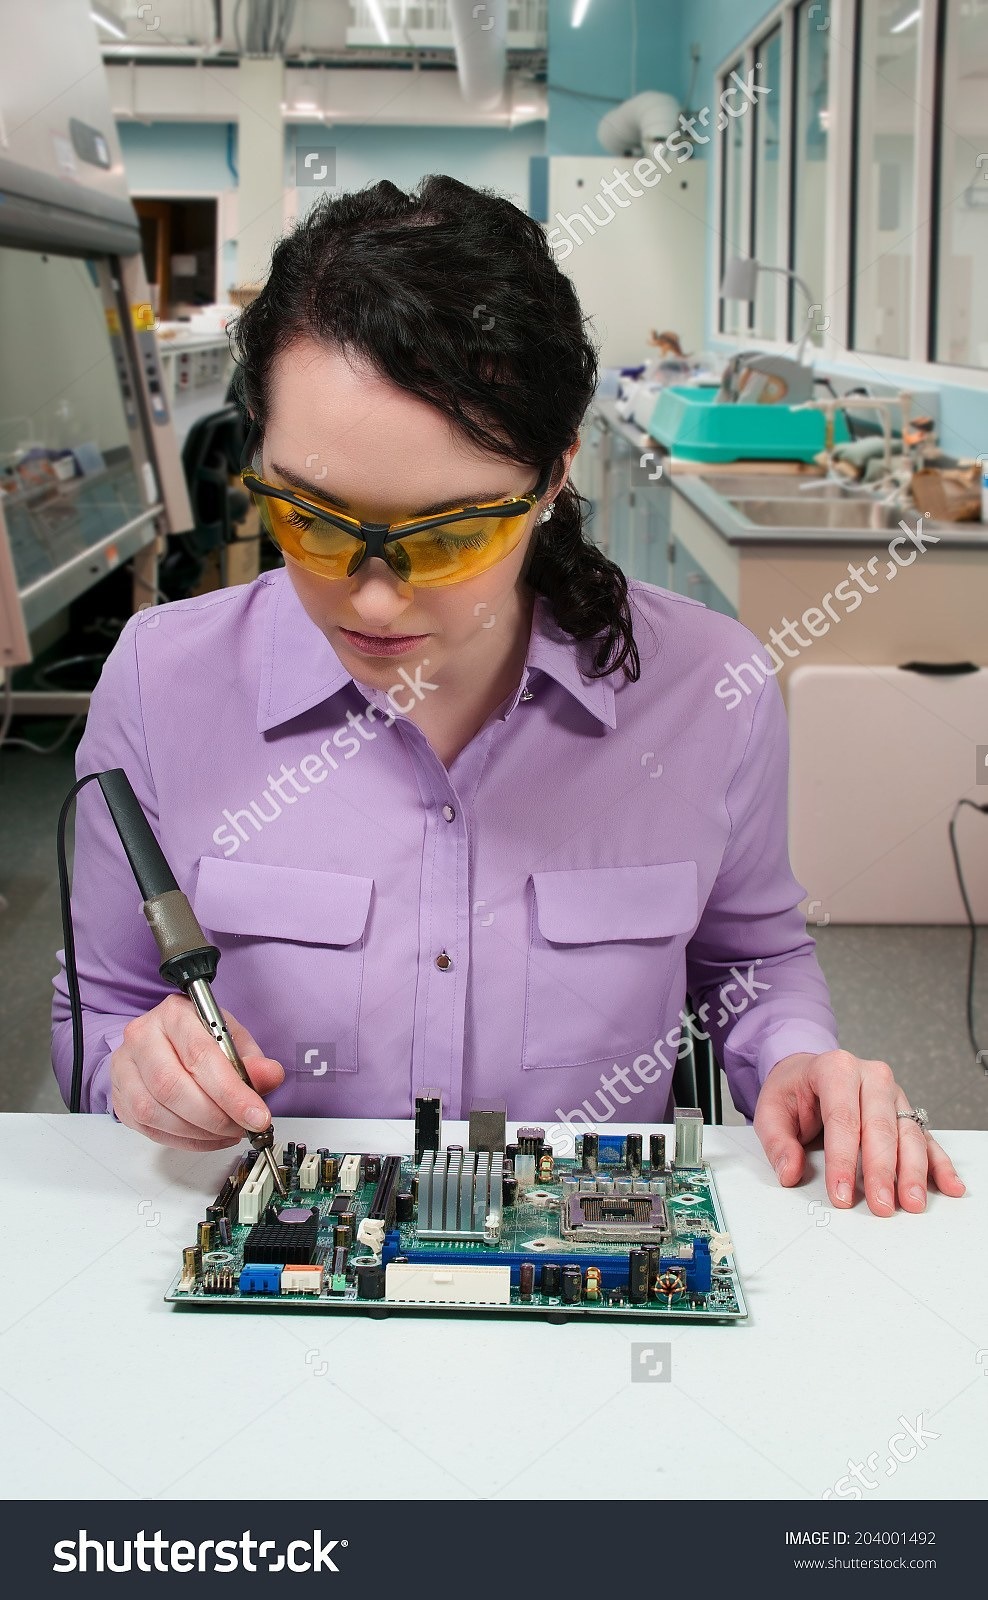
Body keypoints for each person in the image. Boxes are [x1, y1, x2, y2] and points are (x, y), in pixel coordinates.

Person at [51, 175, 963, 1220]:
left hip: (586, 1266)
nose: (376, 592)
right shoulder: (163, 682)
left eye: (446, 535)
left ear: (554, 477)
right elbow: (102, 1004)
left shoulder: (708, 692)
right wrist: (132, 1071)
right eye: (312, 520)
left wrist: (799, 1059)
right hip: (279, 1263)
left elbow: (749, 960)